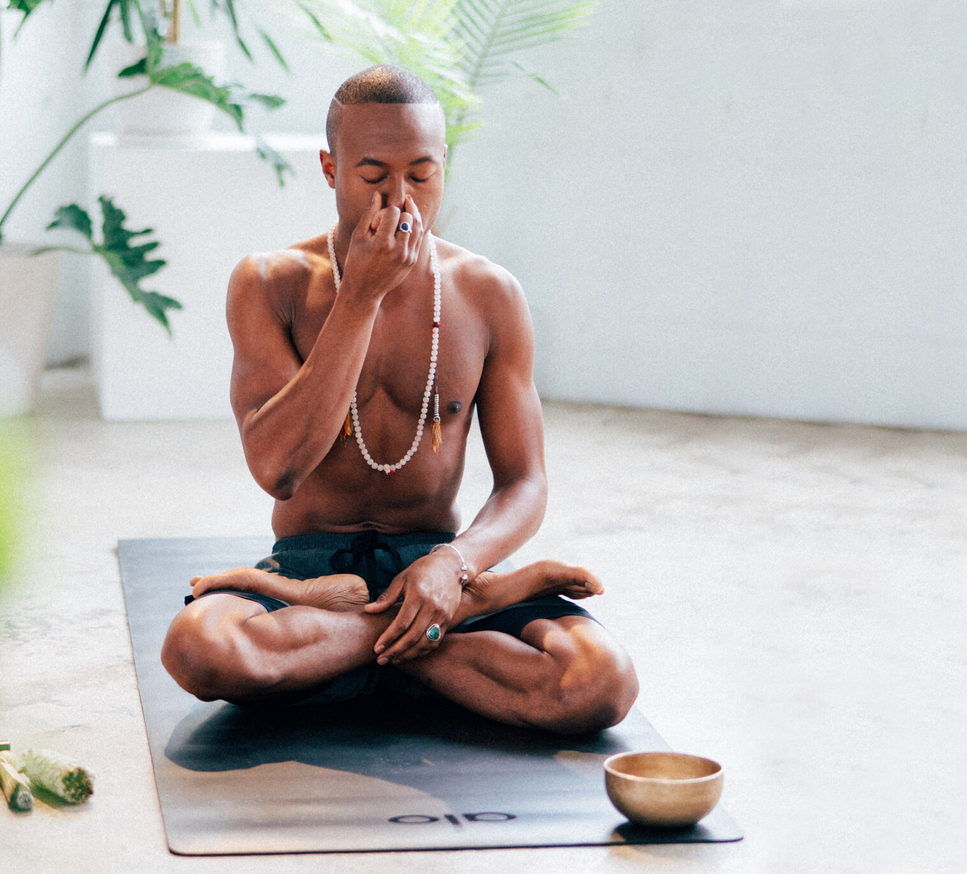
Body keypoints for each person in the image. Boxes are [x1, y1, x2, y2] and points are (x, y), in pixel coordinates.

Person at [159, 65, 638, 734]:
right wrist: (361, 297)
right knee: (198, 649)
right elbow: (278, 469)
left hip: (436, 566)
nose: (400, 199)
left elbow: (525, 483)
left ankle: (353, 649)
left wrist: (454, 567)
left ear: (444, 166)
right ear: (331, 169)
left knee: (600, 681)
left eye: (421, 174)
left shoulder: (488, 293)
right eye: (374, 175)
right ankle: (424, 643)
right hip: (311, 570)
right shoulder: (270, 282)